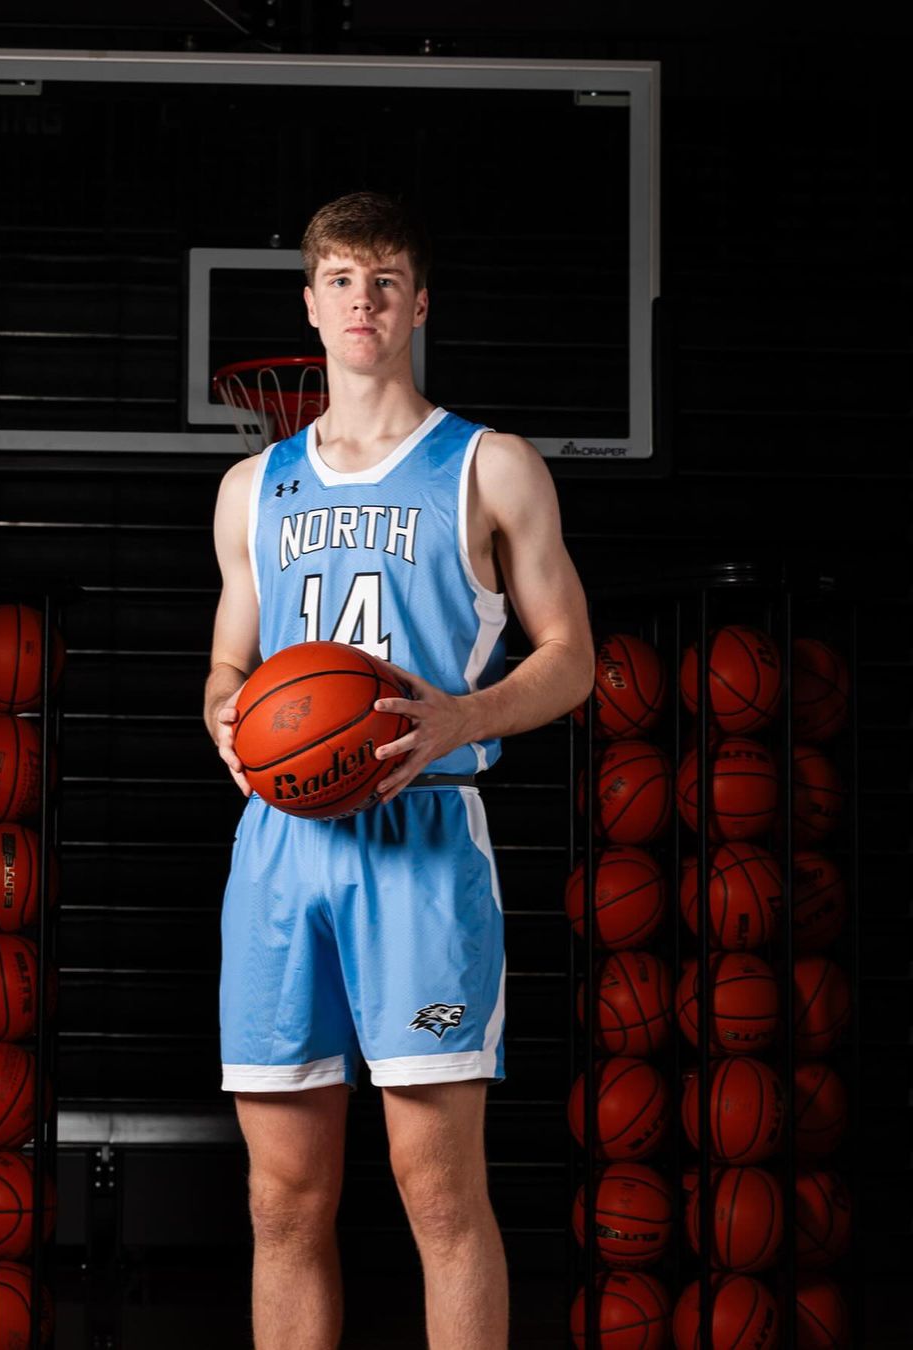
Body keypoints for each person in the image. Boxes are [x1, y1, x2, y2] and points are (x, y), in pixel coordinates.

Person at [204, 191, 593, 1350]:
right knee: (281, 1202)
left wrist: (465, 713)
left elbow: (573, 658)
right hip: (282, 856)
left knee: (440, 1196)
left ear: (418, 304)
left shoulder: (490, 467)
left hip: (422, 845)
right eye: (341, 280)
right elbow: (229, 663)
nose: (361, 302)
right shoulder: (251, 488)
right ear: (311, 305)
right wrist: (227, 717)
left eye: (383, 282)